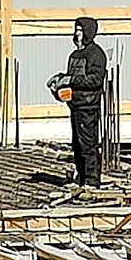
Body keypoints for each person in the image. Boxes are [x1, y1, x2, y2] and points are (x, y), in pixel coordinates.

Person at [52, 15, 107, 187]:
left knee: (88, 144)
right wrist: (59, 82)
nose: (77, 34)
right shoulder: (74, 55)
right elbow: (72, 78)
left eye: (80, 30)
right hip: (75, 104)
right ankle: (81, 177)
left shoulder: (96, 54)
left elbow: (95, 79)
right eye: (76, 30)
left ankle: (91, 180)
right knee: (77, 144)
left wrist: (71, 80)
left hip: (88, 105)